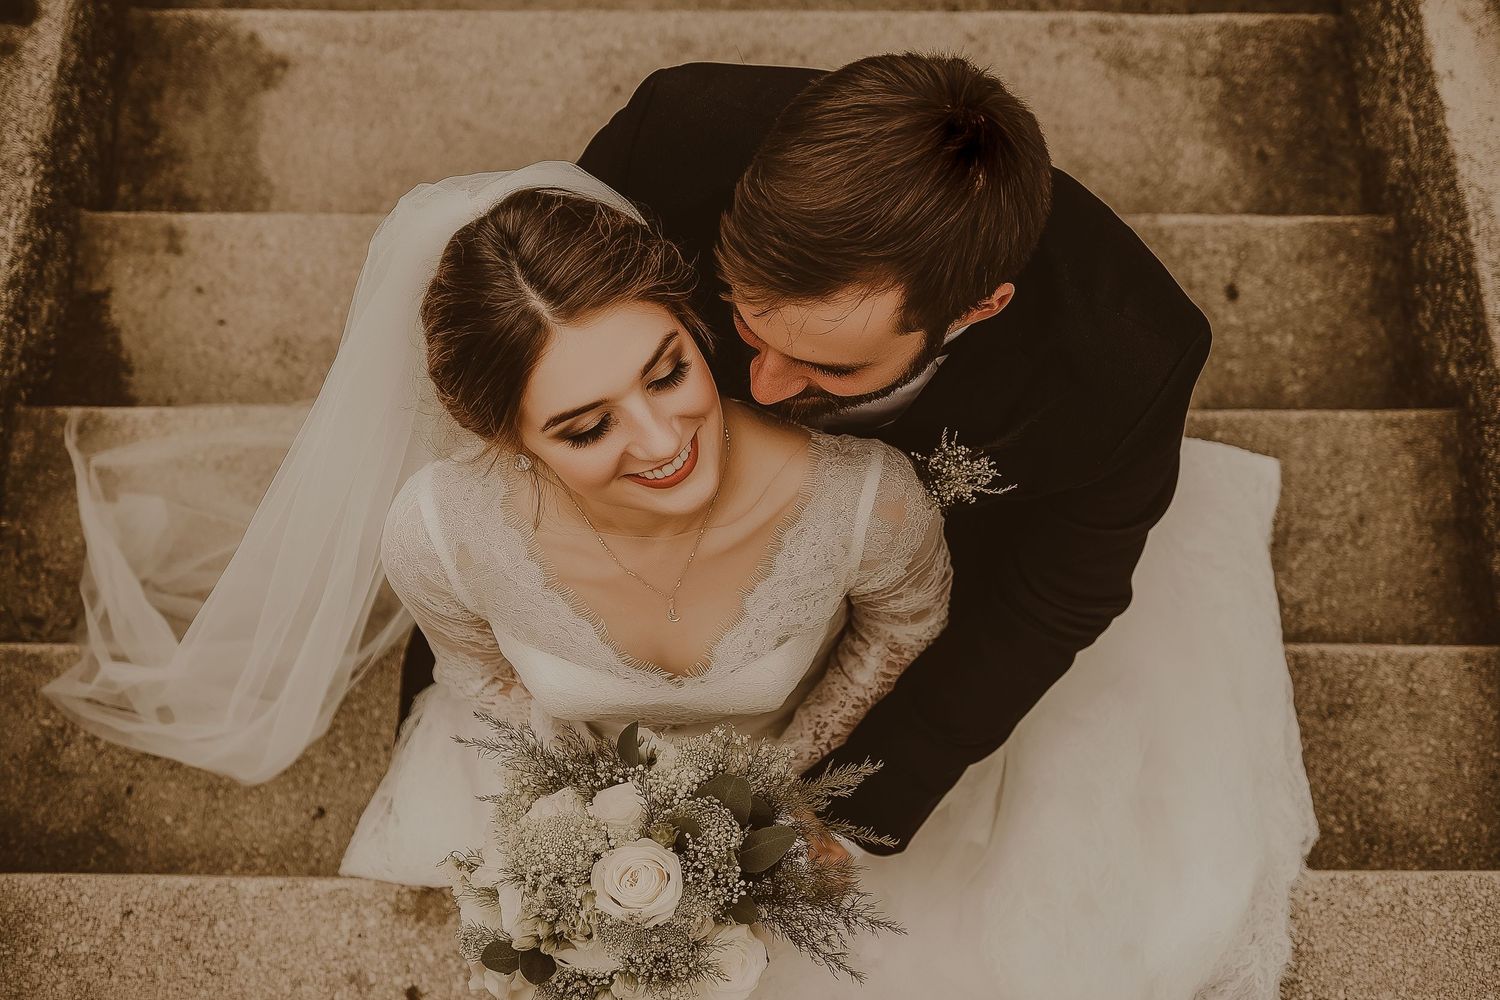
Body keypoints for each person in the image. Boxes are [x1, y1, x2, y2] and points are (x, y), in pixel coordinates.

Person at [396, 53, 1228, 856]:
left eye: (832, 366)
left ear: (978, 310)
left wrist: (855, 801)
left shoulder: (1124, 367)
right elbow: (543, 350)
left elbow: (1054, 600)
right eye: (744, 322)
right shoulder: (671, 141)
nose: (759, 389)